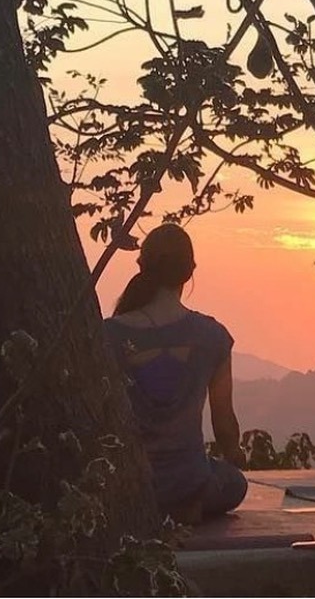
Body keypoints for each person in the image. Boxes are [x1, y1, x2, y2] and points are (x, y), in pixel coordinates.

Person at [103, 224, 247, 523]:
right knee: (234, 482)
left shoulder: (108, 335)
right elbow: (224, 425)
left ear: (142, 266)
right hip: (189, 483)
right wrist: (233, 455)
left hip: (126, 482)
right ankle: (183, 506)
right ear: (189, 270)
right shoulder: (213, 336)